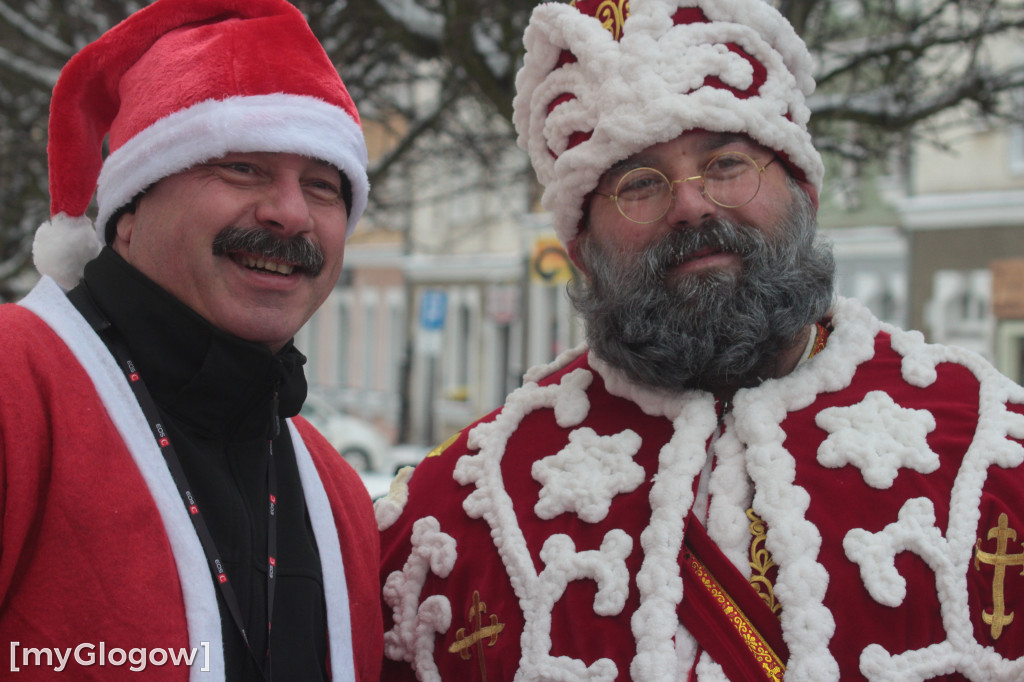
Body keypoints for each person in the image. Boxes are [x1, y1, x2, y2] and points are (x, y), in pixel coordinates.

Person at [377, 0, 1024, 679]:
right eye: (640, 182)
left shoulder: (992, 453)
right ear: (581, 249)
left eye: (726, 163)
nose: (690, 203)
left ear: (803, 191)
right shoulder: (453, 517)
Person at [0, 0, 381, 679]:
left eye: (323, 186)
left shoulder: (340, 495)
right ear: (128, 211)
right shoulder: (15, 387)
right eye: (243, 169)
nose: (290, 212)